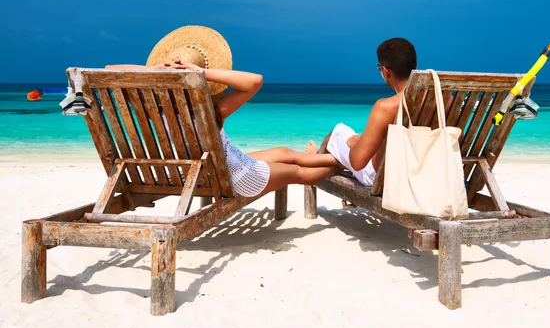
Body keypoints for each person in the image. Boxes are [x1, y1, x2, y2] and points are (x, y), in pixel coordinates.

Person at [106, 25, 341, 199]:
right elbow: (255, 81)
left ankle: (324, 157)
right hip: (233, 178)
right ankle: (342, 163)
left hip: (200, 173)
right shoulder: (210, 112)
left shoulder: (151, 111)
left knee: (284, 152)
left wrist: (155, 70)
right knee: (298, 172)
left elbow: (108, 71)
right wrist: (201, 72)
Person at [325, 38, 417, 188]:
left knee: (337, 133)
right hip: (425, 176)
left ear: (386, 72)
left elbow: (358, 162)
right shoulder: (446, 101)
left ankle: (317, 159)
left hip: (385, 180)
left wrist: (356, 144)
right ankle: (321, 159)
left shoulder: (386, 107)